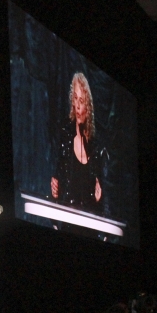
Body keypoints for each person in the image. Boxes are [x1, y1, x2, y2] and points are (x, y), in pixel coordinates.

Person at [50, 72, 103, 213]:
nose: (78, 106)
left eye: (82, 101)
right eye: (75, 99)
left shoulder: (95, 147)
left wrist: (98, 199)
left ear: (88, 106)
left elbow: (101, 203)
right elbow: (57, 184)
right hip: (68, 220)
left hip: (89, 226)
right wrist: (55, 192)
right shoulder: (65, 138)